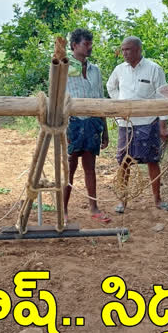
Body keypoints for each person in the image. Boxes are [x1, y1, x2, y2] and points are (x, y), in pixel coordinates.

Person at [106, 36, 168, 212]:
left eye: (127, 49)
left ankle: (157, 200)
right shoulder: (119, 69)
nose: (124, 53)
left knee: (152, 161)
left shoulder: (154, 69)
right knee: (124, 163)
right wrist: (119, 102)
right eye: (122, 49)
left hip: (148, 122)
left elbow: (162, 97)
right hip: (125, 124)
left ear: (138, 50)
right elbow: (110, 86)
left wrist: (163, 126)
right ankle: (123, 201)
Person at [63, 29, 111, 224]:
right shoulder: (62, 68)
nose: (90, 47)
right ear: (74, 45)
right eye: (86, 44)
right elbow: (58, 100)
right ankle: (63, 211)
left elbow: (100, 101)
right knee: (69, 168)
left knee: (90, 167)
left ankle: (94, 207)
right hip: (72, 123)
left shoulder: (95, 70)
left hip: (93, 123)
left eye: (91, 43)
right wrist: (62, 128)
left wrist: (105, 130)